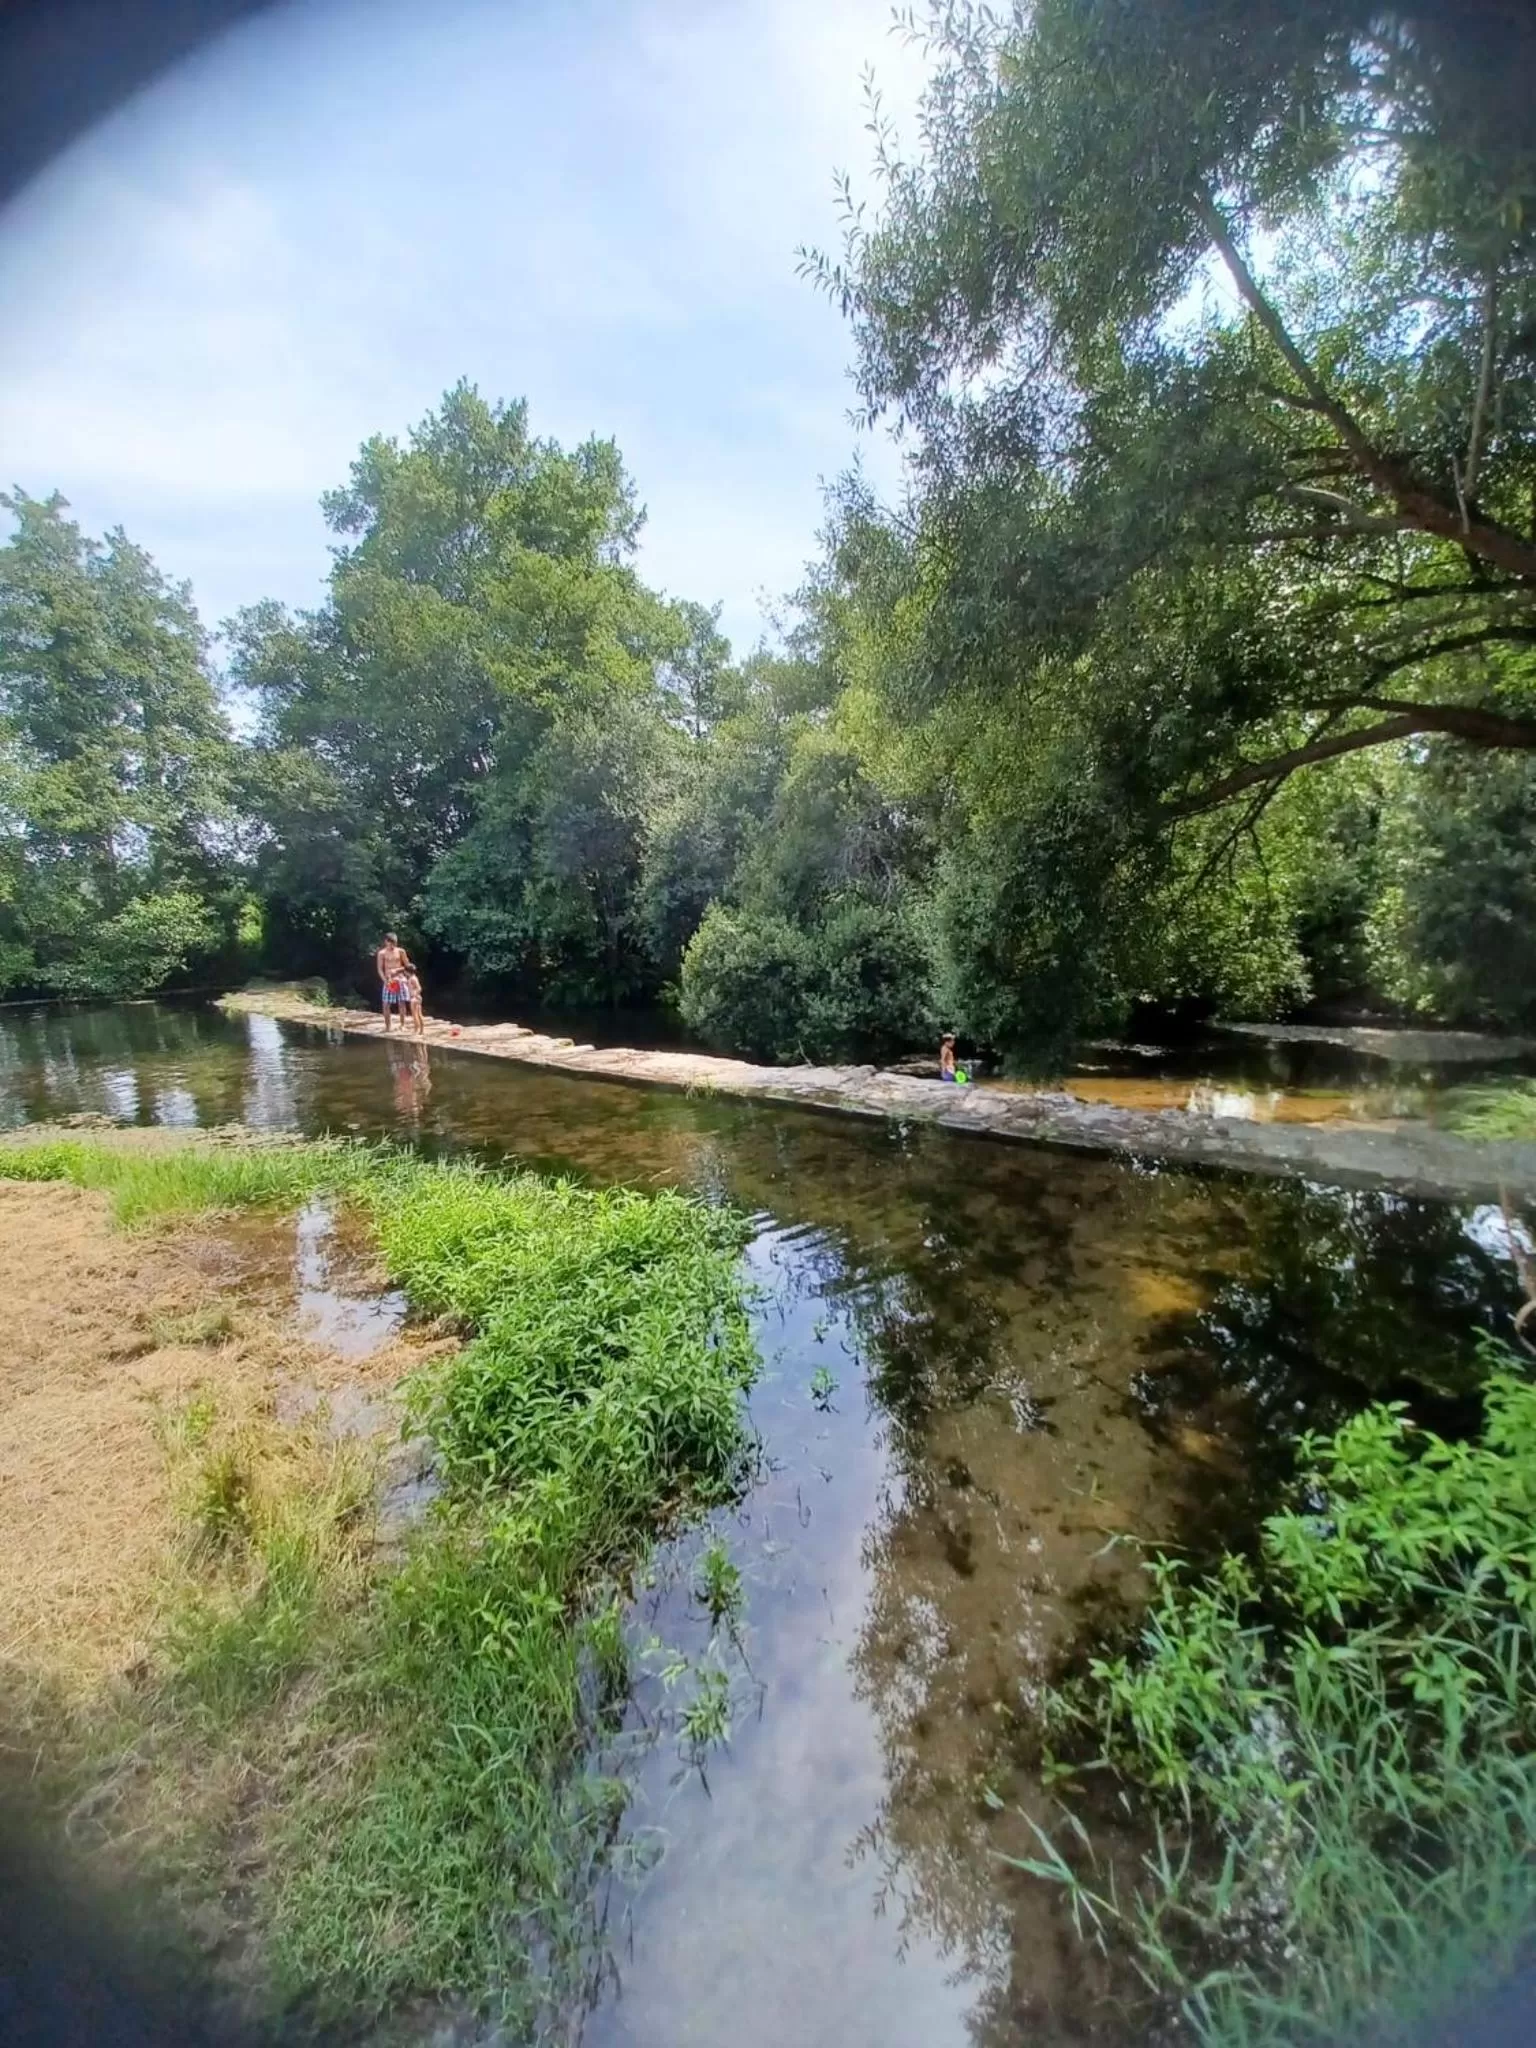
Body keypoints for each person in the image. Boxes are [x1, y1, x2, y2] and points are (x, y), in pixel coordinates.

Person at [374, 932, 413, 1032]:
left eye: (394, 943)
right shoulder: (381, 953)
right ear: (386, 942)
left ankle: (402, 1025)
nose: (392, 945)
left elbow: (408, 967)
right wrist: (385, 981)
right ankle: (388, 1026)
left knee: (402, 1002)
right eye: (390, 943)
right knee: (386, 1003)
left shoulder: (401, 951)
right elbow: (379, 969)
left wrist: (397, 970)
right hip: (388, 980)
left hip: (400, 979)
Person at [404, 967, 425, 1036]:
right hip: (415, 998)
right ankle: (420, 1030)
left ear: (407, 972)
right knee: (418, 1014)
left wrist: (415, 995)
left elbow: (419, 988)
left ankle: (417, 1029)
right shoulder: (412, 978)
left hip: (415, 998)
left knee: (415, 1014)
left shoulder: (413, 978)